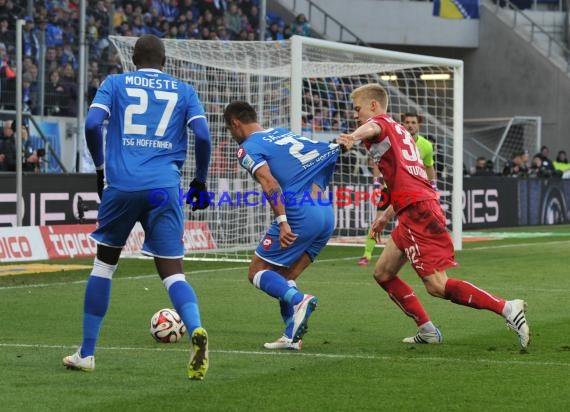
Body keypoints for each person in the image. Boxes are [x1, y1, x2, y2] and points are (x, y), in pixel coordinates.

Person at [63, 34, 212, 380]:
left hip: (122, 186)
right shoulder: (183, 90)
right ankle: (196, 329)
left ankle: (86, 353)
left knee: (104, 266)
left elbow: (90, 125)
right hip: (164, 187)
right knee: (173, 271)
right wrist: (200, 181)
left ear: (133, 58)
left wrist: (100, 168)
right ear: (165, 61)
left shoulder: (115, 83)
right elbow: (203, 136)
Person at [337, 83, 530, 349]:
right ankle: (427, 330)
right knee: (383, 273)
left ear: (373, 105)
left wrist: (352, 137)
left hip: (418, 211)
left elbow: (372, 126)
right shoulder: (400, 131)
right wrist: (386, 216)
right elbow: (409, 180)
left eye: (358, 109)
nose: (355, 114)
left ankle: (507, 307)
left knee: (437, 286)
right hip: (411, 207)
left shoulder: (379, 123)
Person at [223, 100, 340, 350]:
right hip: (325, 213)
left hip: (299, 214)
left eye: (230, 130)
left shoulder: (248, 147)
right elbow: (328, 152)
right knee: (283, 278)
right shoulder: (282, 133)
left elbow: (269, 182)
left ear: (235, 124)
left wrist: (283, 221)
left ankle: (300, 301)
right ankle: (291, 336)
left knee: (256, 272)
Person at [358, 112, 437, 266]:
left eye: (413, 122)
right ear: (402, 124)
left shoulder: (426, 145)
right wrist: (377, 182)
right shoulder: (394, 139)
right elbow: (377, 159)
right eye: (407, 122)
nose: (410, 125)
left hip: (414, 191)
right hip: (390, 188)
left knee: (413, 223)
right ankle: (367, 254)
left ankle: (423, 255)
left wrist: (433, 186)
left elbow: (429, 166)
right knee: (378, 220)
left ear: (418, 125)